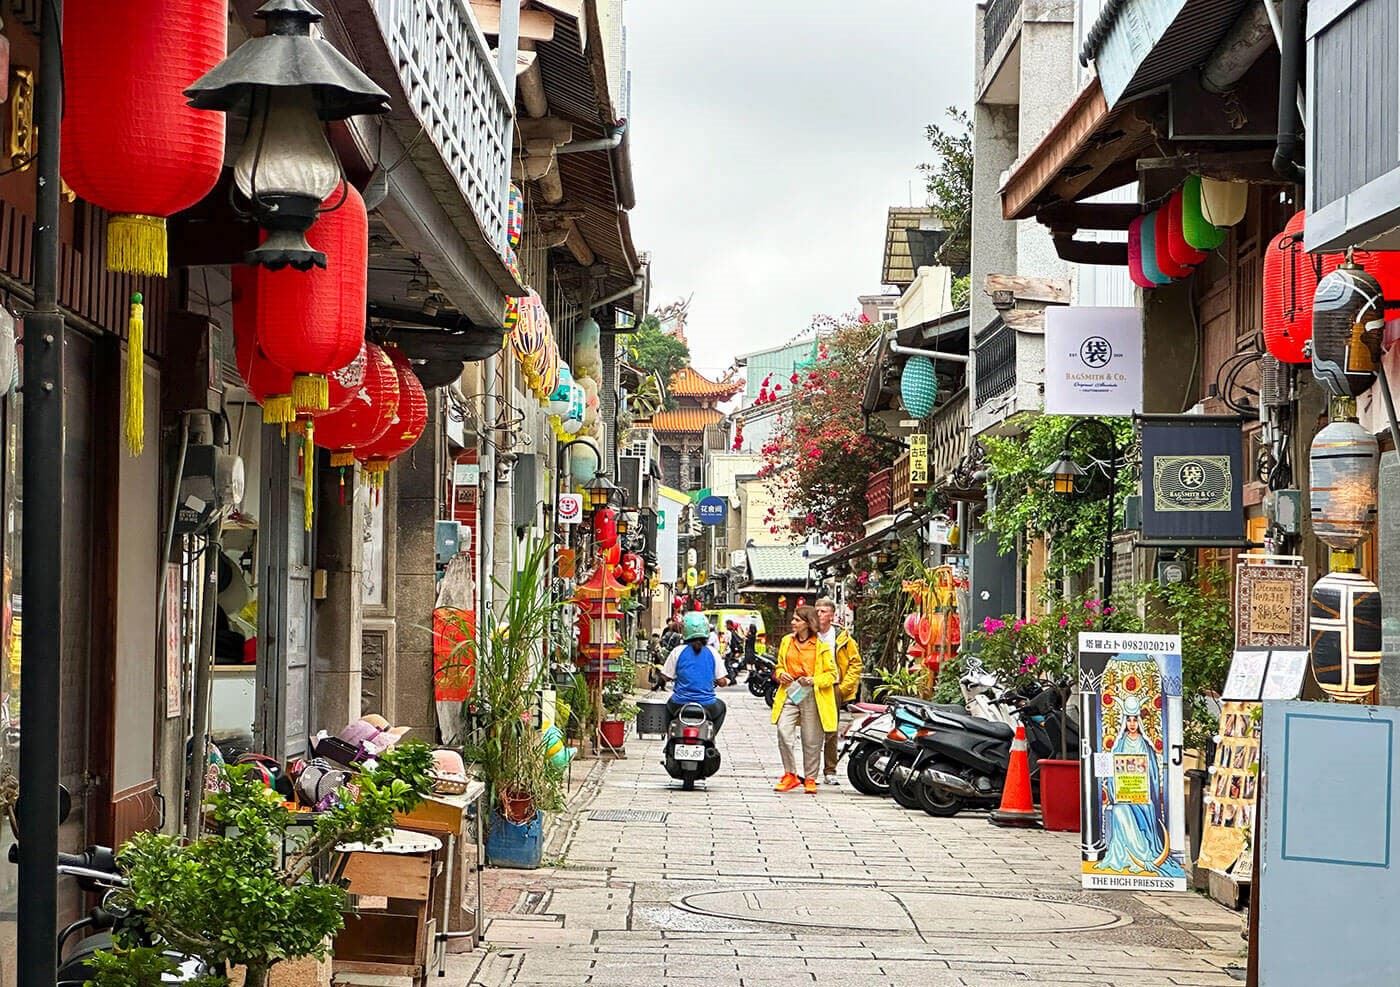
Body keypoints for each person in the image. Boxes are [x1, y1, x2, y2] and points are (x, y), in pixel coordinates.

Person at [1099, 695, 1185, 877]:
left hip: (1142, 795)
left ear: (1139, 721)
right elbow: (1113, 772)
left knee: (1145, 808)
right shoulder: (1120, 744)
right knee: (1119, 811)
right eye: (1128, 720)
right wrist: (1118, 790)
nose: (1131, 724)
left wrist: (1142, 787)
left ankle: (1145, 853)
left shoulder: (1145, 745)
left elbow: (1153, 775)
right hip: (1124, 795)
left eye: (1135, 720)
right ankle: (1130, 855)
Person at [771, 606, 838, 794]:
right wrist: (781, 673)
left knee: (811, 739)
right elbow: (779, 666)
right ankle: (790, 774)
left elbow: (832, 675)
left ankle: (810, 778)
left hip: (811, 694)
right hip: (790, 692)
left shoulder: (821, 647)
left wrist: (813, 680)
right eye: (793, 619)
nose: (793, 623)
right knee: (783, 731)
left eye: (797, 620)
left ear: (808, 623)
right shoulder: (786, 642)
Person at [815, 596, 863, 785]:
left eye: (823, 611)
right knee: (810, 731)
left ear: (832, 615)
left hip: (833, 687)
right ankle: (808, 771)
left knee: (831, 730)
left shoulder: (842, 637)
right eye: (817, 611)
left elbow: (855, 663)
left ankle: (830, 769)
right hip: (811, 684)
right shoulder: (809, 634)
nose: (819, 614)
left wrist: (844, 687)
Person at [661, 611, 729, 730]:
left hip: (679, 703)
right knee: (722, 707)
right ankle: (711, 738)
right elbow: (721, 681)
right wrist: (725, 681)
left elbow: (666, 676)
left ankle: (670, 740)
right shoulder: (712, 652)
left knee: (667, 707)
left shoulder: (677, 651)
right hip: (708, 705)